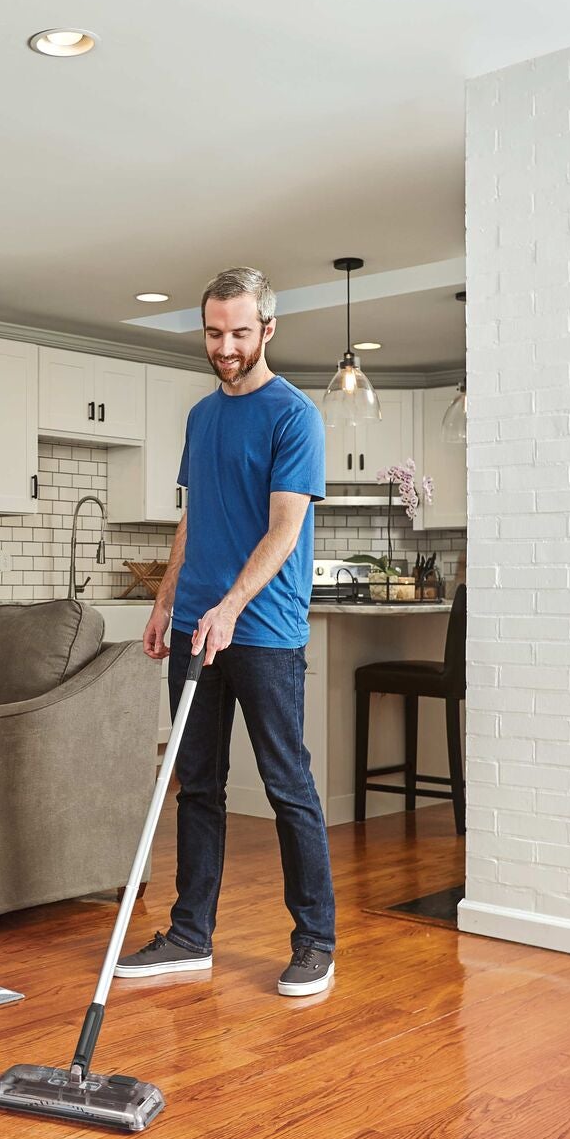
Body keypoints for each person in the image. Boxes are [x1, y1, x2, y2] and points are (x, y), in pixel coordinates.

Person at [117, 265, 337, 996]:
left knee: (287, 784)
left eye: (241, 332)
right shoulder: (201, 416)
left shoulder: (294, 415)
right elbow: (196, 518)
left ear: (268, 329)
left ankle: (315, 942)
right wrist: (167, 603)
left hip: (264, 630)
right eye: (215, 333)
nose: (226, 346)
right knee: (198, 783)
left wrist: (231, 606)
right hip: (193, 625)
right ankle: (189, 936)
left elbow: (282, 531)